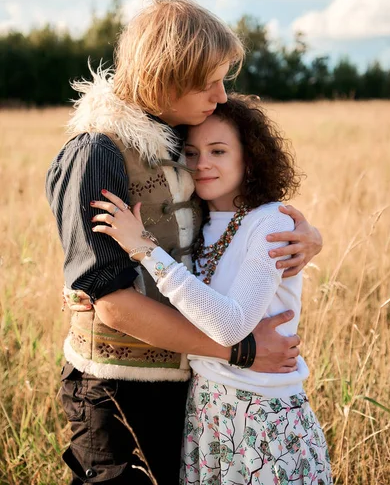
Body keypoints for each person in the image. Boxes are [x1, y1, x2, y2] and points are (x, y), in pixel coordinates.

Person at [46, 0, 323, 485]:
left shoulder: (178, 143)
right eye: (210, 82)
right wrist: (239, 351)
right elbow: (113, 305)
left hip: (183, 383)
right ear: (168, 79)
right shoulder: (97, 152)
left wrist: (305, 235)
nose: (221, 96)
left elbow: (226, 224)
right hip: (115, 385)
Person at [90, 95, 332, 484]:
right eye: (191, 152)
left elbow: (231, 326)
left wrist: (144, 248)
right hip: (207, 411)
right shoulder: (200, 222)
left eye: (218, 151)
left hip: (261, 412)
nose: (201, 163)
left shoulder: (270, 223)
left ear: (249, 158)